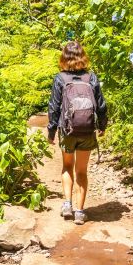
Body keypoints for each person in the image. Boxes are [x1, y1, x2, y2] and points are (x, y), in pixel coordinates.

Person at [47, 41, 107, 225]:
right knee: (82, 171)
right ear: (83, 56)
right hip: (87, 130)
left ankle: (67, 205)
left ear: (64, 58)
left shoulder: (60, 78)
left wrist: (51, 131)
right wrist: (102, 125)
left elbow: (54, 107)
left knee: (67, 166)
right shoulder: (91, 77)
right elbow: (101, 104)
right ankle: (80, 212)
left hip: (67, 130)